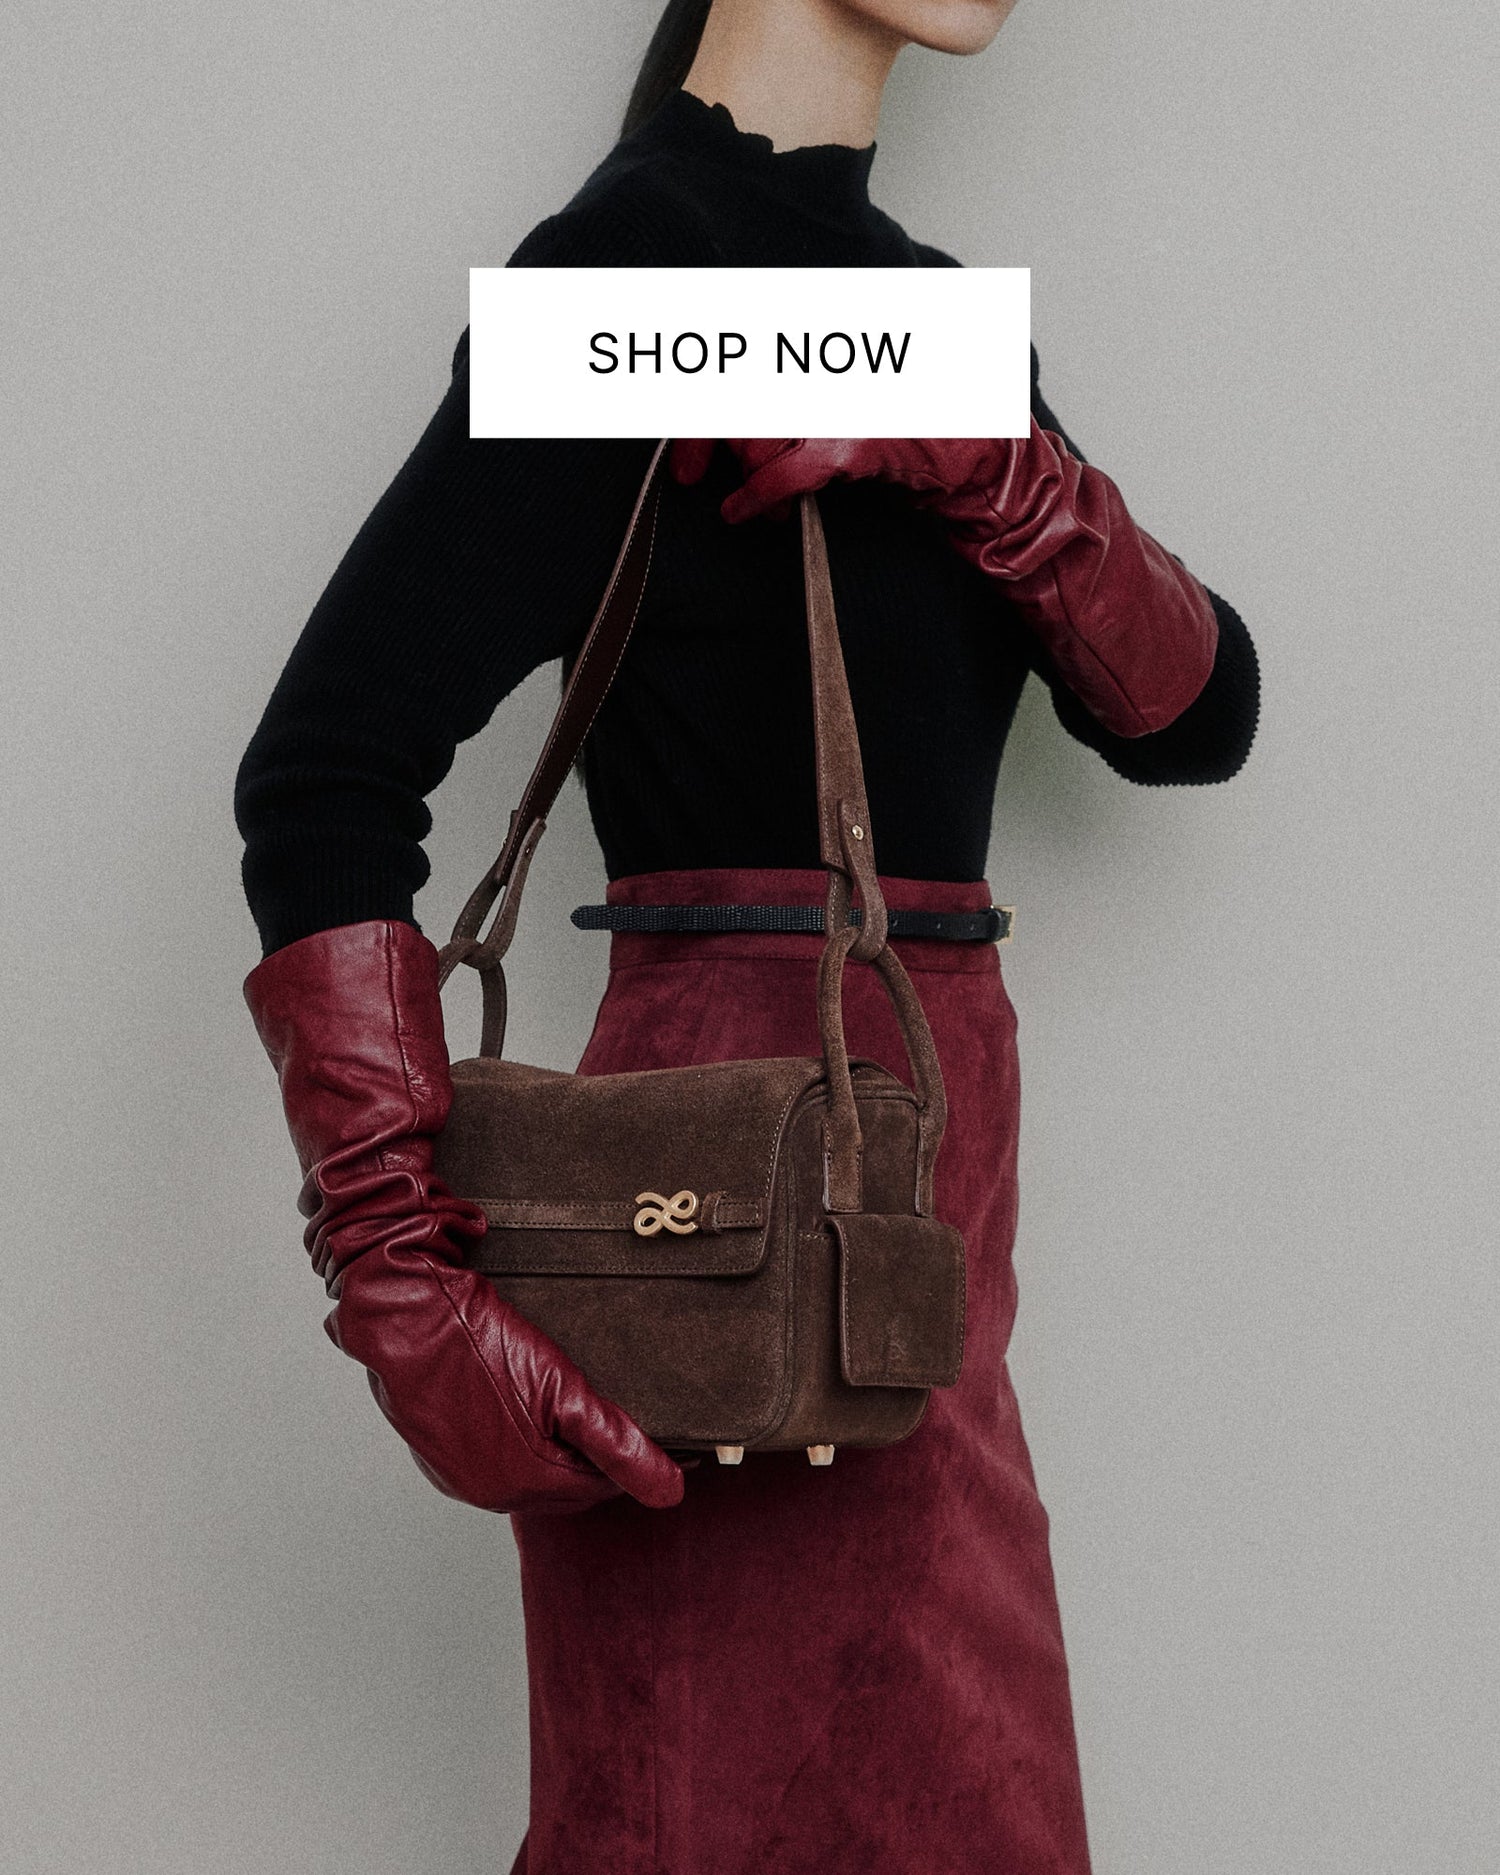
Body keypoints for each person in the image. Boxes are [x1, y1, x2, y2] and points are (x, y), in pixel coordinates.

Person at [235, 1, 1260, 1869]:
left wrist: (1002, 468)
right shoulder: (630, 266)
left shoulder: (925, 314)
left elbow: (1194, 717)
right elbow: (324, 774)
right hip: (717, 1233)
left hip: (927, 1226)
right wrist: (399, 1280)